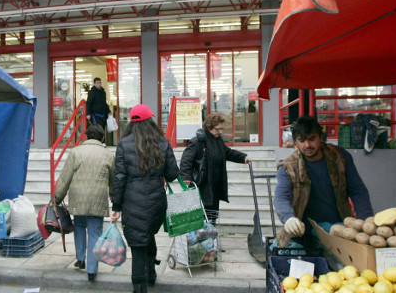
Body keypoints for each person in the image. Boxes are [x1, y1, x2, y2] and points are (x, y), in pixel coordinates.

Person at [274, 116, 373, 247]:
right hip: (303, 230)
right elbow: (281, 197)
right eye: (302, 141)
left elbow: (358, 190)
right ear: (295, 142)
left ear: (320, 137)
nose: (307, 145)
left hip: (338, 227)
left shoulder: (340, 157)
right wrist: (288, 218)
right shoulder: (288, 167)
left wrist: (365, 222)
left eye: (312, 139)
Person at [110, 104, 179, 293]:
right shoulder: (163, 142)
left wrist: (116, 205)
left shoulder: (124, 144)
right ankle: (151, 274)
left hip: (132, 201)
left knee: (138, 244)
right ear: (150, 121)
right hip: (157, 200)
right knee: (147, 234)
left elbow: (120, 177)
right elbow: (173, 174)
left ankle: (139, 287)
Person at [53, 124, 114, 282]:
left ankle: (80, 259)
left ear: (86, 136)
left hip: (78, 198)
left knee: (79, 226)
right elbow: (113, 180)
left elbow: (65, 178)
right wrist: (115, 199)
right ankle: (92, 271)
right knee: (95, 232)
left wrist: (57, 198)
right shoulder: (108, 154)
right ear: (102, 138)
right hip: (98, 198)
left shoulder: (75, 152)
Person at [179, 113, 250, 224]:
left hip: (215, 185)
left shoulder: (218, 140)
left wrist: (243, 157)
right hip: (203, 184)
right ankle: (202, 238)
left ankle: (210, 236)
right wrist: (186, 177)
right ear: (209, 127)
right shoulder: (198, 141)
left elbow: (228, 152)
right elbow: (186, 160)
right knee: (202, 215)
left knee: (212, 214)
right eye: (218, 129)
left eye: (222, 129)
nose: (220, 131)